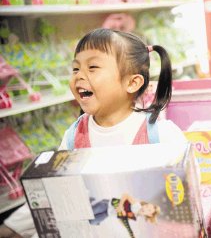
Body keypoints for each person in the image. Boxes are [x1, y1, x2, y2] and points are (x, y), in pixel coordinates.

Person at [0, 28, 188, 238]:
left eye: (93, 67)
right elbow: (54, 191)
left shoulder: (161, 136)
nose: (79, 76)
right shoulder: (74, 137)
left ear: (132, 82)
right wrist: (12, 227)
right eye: (75, 69)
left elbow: (184, 197)